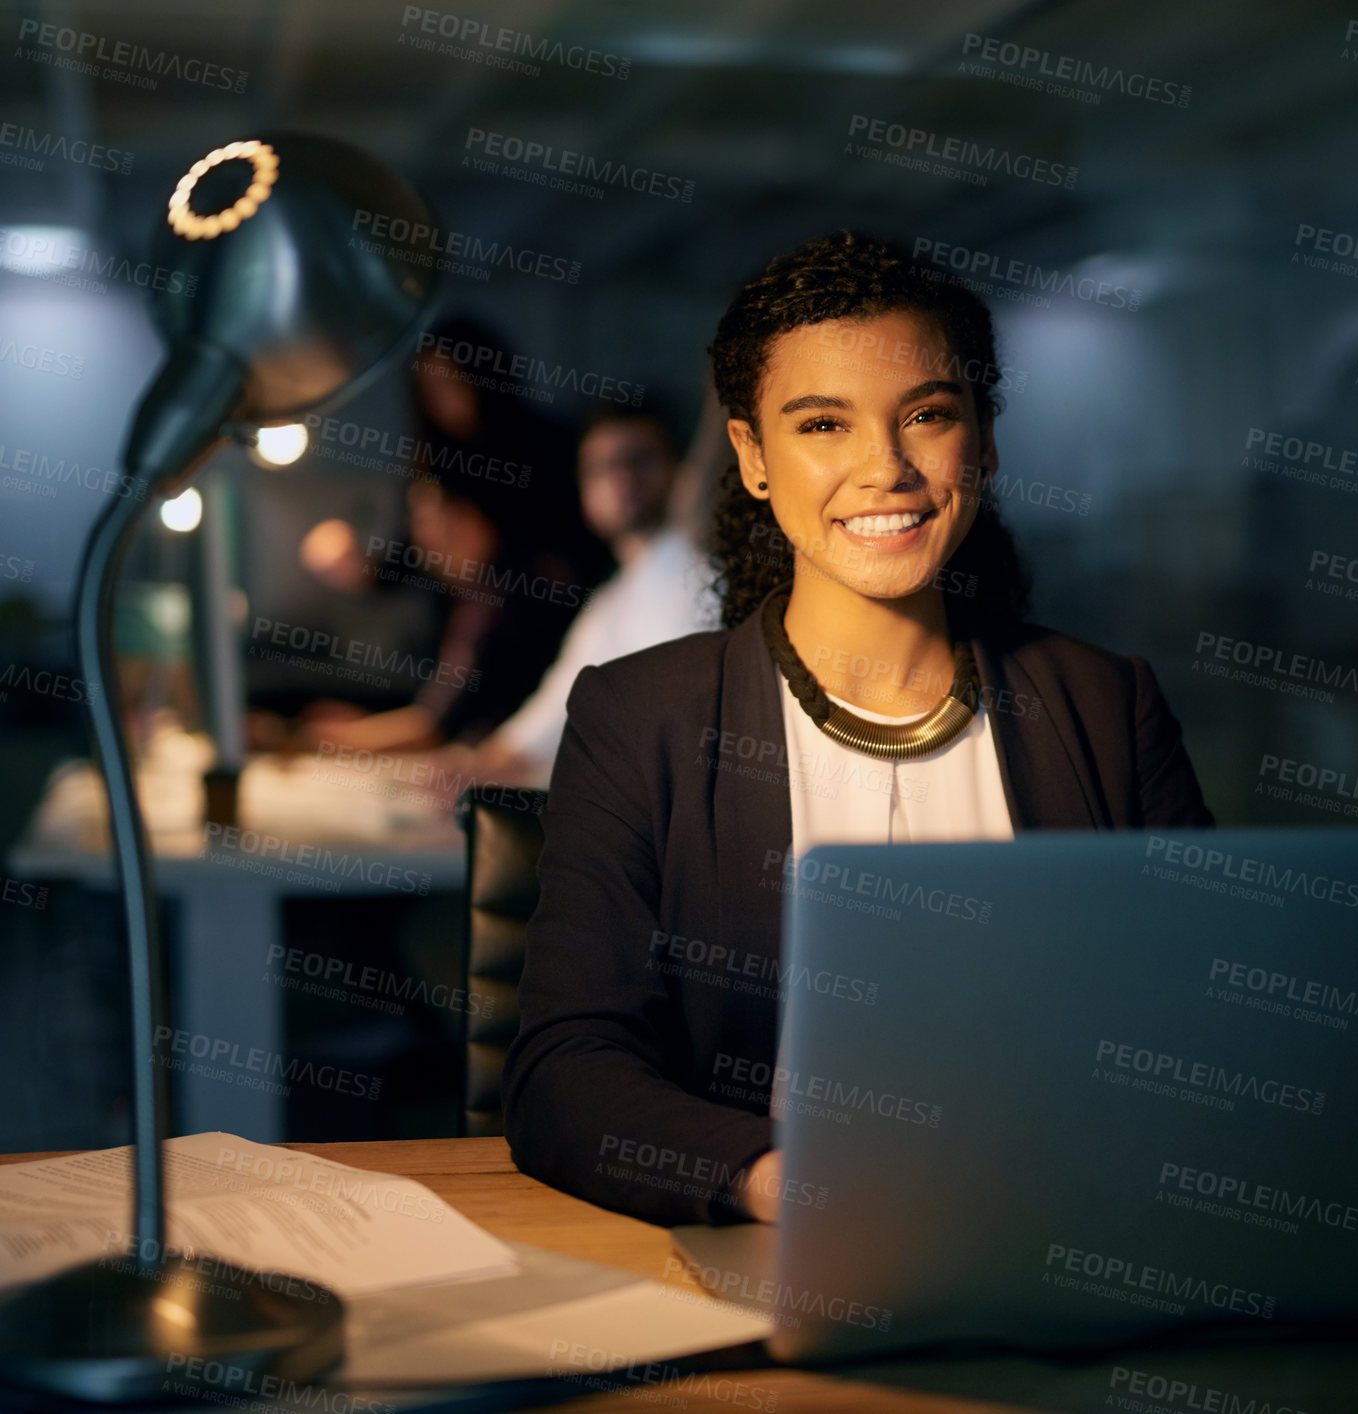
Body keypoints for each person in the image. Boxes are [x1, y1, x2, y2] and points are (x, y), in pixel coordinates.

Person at [501, 231, 1213, 1230]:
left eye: (925, 415)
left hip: (1073, 1231)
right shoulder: (641, 717)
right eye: (822, 424)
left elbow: (1210, 1037)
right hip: (777, 1248)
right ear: (752, 457)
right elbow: (563, 1074)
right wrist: (774, 1182)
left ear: (985, 440)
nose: (884, 468)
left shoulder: (1104, 704)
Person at [294, 317, 612, 754]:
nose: (447, 401)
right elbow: (437, 715)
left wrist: (330, 739)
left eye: (456, 383)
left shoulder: (545, 457)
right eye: (432, 389)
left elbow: (435, 725)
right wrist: (362, 570)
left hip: (532, 672)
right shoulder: (432, 463)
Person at [451, 401, 720, 786]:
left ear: (679, 469)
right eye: (601, 467)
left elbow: (669, 734)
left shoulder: (693, 572)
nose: (621, 478)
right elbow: (549, 716)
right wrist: (476, 767)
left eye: (639, 459)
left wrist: (485, 771)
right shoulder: (614, 598)